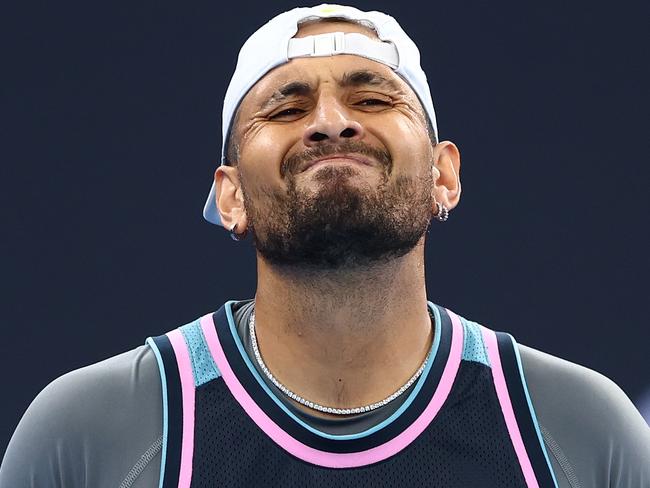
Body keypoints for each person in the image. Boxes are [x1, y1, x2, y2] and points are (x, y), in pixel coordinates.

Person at [1, 4, 648, 488]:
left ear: (442, 176)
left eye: (371, 97)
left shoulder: (580, 430)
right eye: (286, 110)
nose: (332, 122)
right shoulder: (87, 434)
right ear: (230, 197)